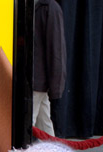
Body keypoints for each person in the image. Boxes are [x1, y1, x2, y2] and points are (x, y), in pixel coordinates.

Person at [32, 0, 67, 135]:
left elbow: (56, 49)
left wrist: (56, 85)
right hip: (34, 79)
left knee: (28, 125)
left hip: (37, 80)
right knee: (44, 123)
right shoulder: (35, 6)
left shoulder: (50, 8)